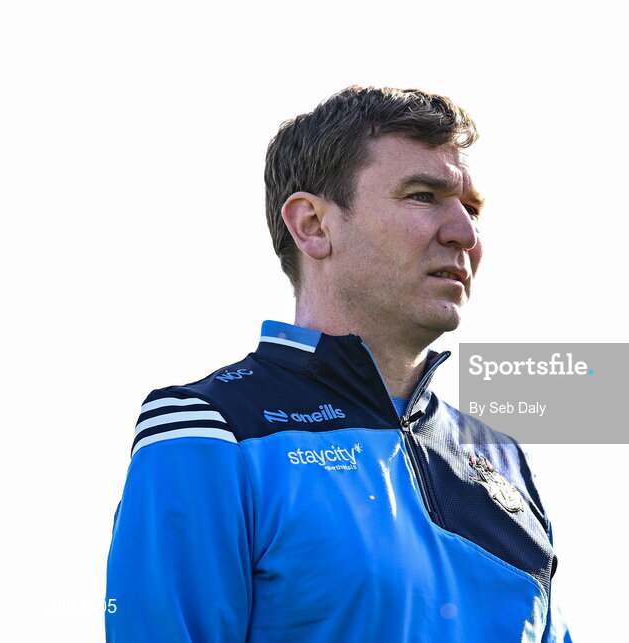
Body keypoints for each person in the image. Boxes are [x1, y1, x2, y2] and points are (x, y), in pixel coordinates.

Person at [104, 86, 571, 642]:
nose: (465, 234)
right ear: (313, 226)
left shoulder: (503, 462)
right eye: (423, 196)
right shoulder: (209, 427)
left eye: (471, 209)